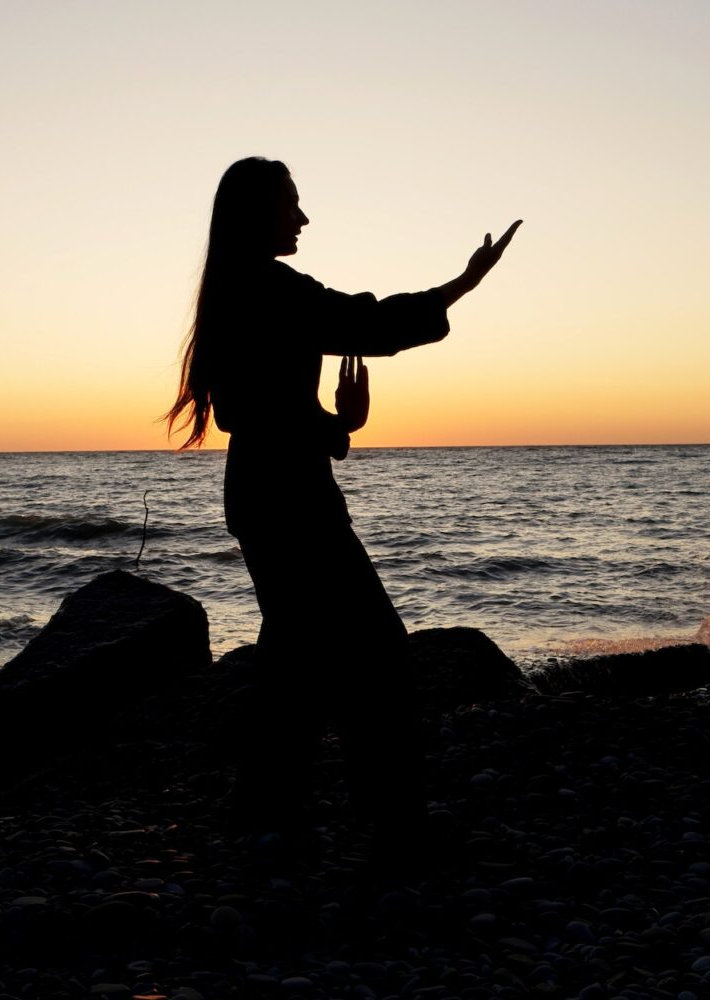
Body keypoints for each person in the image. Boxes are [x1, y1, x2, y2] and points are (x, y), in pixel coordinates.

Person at [163, 156, 520, 861]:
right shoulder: (270, 288)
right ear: (256, 212)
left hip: (264, 492)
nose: (301, 218)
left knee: (296, 659)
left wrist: (335, 426)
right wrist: (464, 284)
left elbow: (258, 409)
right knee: (376, 648)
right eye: (290, 204)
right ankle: (389, 821)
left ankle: (273, 818)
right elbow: (368, 325)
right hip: (290, 499)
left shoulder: (237, 289)